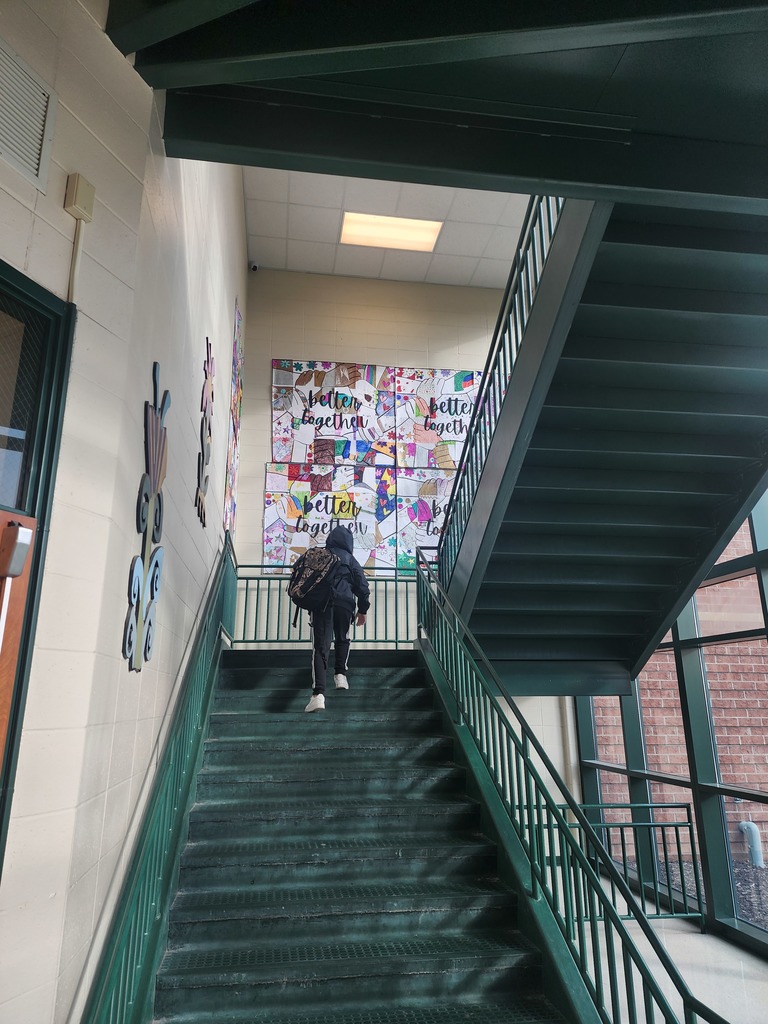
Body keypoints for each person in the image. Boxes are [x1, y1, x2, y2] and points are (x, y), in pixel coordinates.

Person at [305, 525, 370, 713]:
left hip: (322, 605)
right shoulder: (350, 559)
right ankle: (340, 675)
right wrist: (362, 610)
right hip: (345, 603)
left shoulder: (321, 555)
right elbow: (363, 586)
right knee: (343, 638)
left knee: (321, 647)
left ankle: (318, 696)